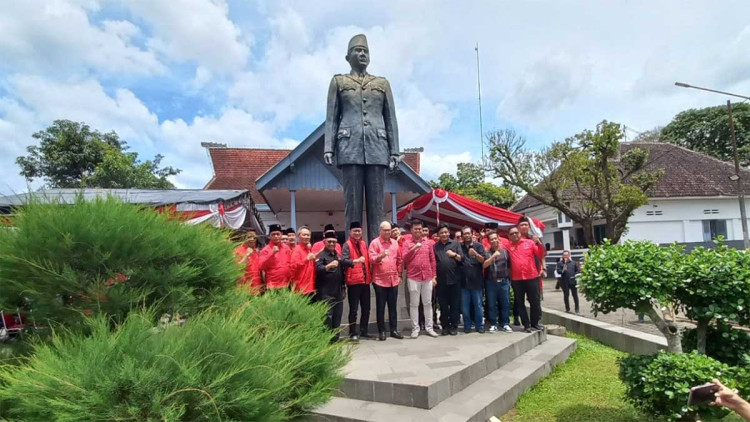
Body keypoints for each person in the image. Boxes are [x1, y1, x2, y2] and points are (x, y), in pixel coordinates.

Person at [324, 34, 400, 242]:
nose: (362, 54)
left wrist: (394, 151)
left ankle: (378, 249)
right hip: (349, 147)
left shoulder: (382, 83)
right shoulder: (339, 82)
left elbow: (391, 119)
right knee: (353, 205)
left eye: (365, 51)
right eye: (357, 51)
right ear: (347, 57)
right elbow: (332, 117)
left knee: (377, 206)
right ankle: (353, 249)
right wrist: (329, 147)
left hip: (378, 148)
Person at [401, 220, 439, 339]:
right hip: (413, 277)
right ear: (411, 230)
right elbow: (404, 258)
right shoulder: (407, 243)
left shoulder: (428, 243)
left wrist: (434, 276)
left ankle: (429, 328)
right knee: (414, 304)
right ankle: (415, 328)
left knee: (428, 303)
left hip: (427, 277)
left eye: (420, 229)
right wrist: (413, 249)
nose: (418, 231)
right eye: (416, 229)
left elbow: (432, 260)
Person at [506, 226, 546, 333]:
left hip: (532, 277)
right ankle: (526, 325)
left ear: (519, 233)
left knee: (535, 302)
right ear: (509, 236)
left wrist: (539, 243)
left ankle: (535, 323)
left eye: (516, 232)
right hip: (517, 279)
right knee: (520, 303)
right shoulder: (508, 246)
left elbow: (540, 254)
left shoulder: (530, 243)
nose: (514, 235)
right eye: (512, 234)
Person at [369, 221, 403, 341]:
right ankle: (382, 331)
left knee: (393, 306)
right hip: (380, 280)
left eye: (389, 230)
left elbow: (399, 260)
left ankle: (393, 330)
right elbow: (371, 259)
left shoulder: (394, 243)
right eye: (385, 230)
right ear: (380, 230)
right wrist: (381, 256)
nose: (388, 232)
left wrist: (400, 275)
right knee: (381, 307)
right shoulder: (375, 243)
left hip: (393, 279)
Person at [341, 221, 372, 341]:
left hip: (365, 280)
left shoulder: (364, 244)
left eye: (359, 231)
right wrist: (356, 261)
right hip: (353, 281)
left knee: (366, 308)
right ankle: (353, 332)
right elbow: (343, 261)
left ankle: (364, 330)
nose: (357, 233)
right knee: (353, 309)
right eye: (355, 231)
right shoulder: (347, 245)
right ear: (350, 232)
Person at [315, 232, 348, 342]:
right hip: (325, 292)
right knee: (327, 317)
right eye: (329, 241)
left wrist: (343, 287)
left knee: (337, 316)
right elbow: (317, 269)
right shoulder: (320, 255)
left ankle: (335, 340)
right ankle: (327, 340)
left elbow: (341, 272)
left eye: (334, 242)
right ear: (324, 242)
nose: (332, 244)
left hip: (337, 291)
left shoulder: (337, 255)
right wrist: (328, 266)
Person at [434, 223, 463, 336]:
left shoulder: (456, 244)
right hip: (441, 282)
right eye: (441, 233)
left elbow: (461, 258)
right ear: (438, 234)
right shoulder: (435, 247)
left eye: (446, 232)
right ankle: (445, 326)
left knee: (455, 305)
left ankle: (454, 326)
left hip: (455, 280)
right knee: (443, 305)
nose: (444, 234)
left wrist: (453, 254)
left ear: (449, 232)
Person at [459, 226, 487, 333]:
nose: (466, 235)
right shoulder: (459, 247)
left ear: (472, 234)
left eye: (468, 233)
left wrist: (475, 254)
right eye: (464, 234)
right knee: (465, 306)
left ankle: (479, 325)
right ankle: (467, 325)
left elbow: (483, 260)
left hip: (476, 282)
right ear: (462, 236)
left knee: (478, 305)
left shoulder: (478, 246)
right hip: (463, 282)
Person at [483, 232, 512, 333]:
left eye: (495, 238)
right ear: (489, 241)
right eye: (492, 239)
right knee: (491, 304)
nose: (494, 240)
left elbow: (509, 266)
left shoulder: (505, 252)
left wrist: (509, 280)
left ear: (498, 239)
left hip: (504, 282)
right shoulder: (486, 252)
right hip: (491, 282)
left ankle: (505, 323)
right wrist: (493, 256)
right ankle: (493, 324)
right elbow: (484, 265)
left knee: (505, 303)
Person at [258, 224, 291, 290]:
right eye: (273, 234)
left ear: (281, 234)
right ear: (269, 236)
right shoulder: (265, 250)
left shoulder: (286, 248)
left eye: (278, 234)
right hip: (273, 286)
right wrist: (272, 253)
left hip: (286, 284)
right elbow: (261, 266)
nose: (276, 236)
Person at [290, 226, 316, 298]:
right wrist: (306, 259)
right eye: (304, 235)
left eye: (308, 235)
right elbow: (293, 267)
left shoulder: (309, 249)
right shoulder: (296, 250)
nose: (306, 237)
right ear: (298, 236)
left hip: (310, 287)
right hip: (301, 289)